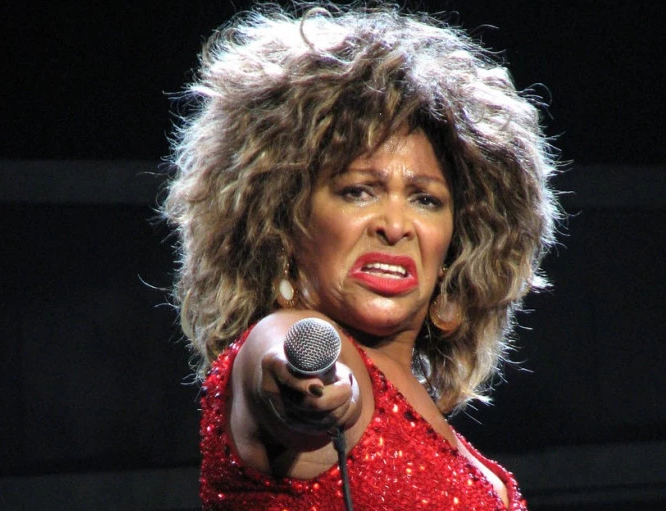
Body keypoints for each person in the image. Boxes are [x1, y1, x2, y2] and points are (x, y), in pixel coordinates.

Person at [163, 3, 559, 510]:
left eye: (425, 199)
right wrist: (305, 386)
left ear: (457, 242)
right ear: (281, 226)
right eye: (358, 191)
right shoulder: (287, 339)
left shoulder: (431, 422)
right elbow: (281, 363)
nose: (395, 225)